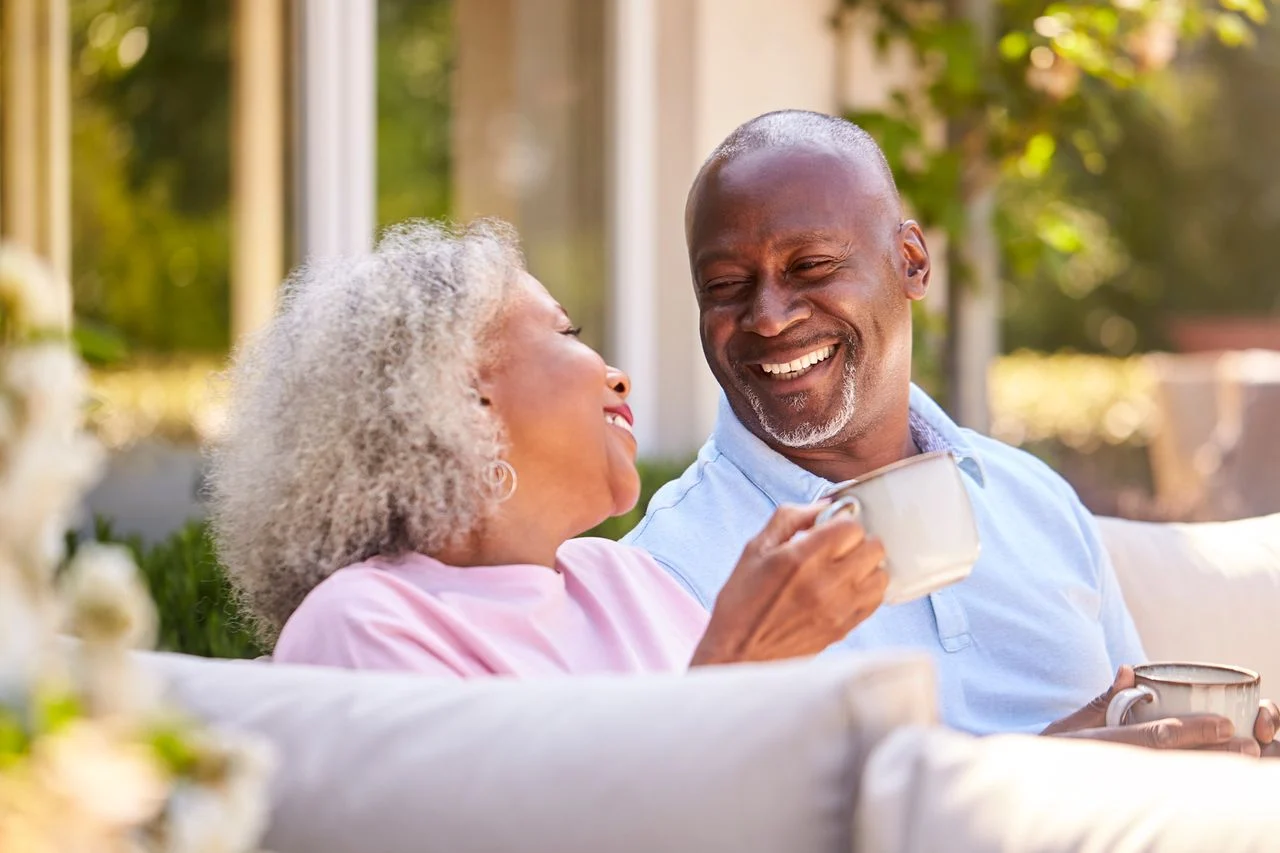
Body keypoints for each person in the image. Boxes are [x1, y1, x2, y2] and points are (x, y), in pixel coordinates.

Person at [623, 109, 1278, 756]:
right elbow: (691, 804)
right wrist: (1036, 776)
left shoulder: (1033, 499)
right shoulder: (669, 569)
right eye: (726, 284)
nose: (768, 317)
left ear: (911, 262)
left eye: (812, 265)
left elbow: (1135, 723)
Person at [207, 220, 888, 678]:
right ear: (461, 399)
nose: (618, 377)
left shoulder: (628, 581)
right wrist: (741, 663)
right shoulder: (365, 622)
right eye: (567, 333)